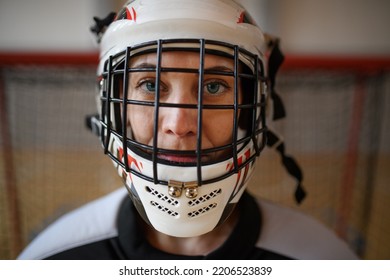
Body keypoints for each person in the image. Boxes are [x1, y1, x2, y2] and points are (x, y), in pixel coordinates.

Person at [18, 0, 357, 260]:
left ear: (254, 105)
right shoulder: (53, 258)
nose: (179, 126)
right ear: (114, 104)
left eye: (213, 87)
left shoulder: (322, 258)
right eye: (150, 85)